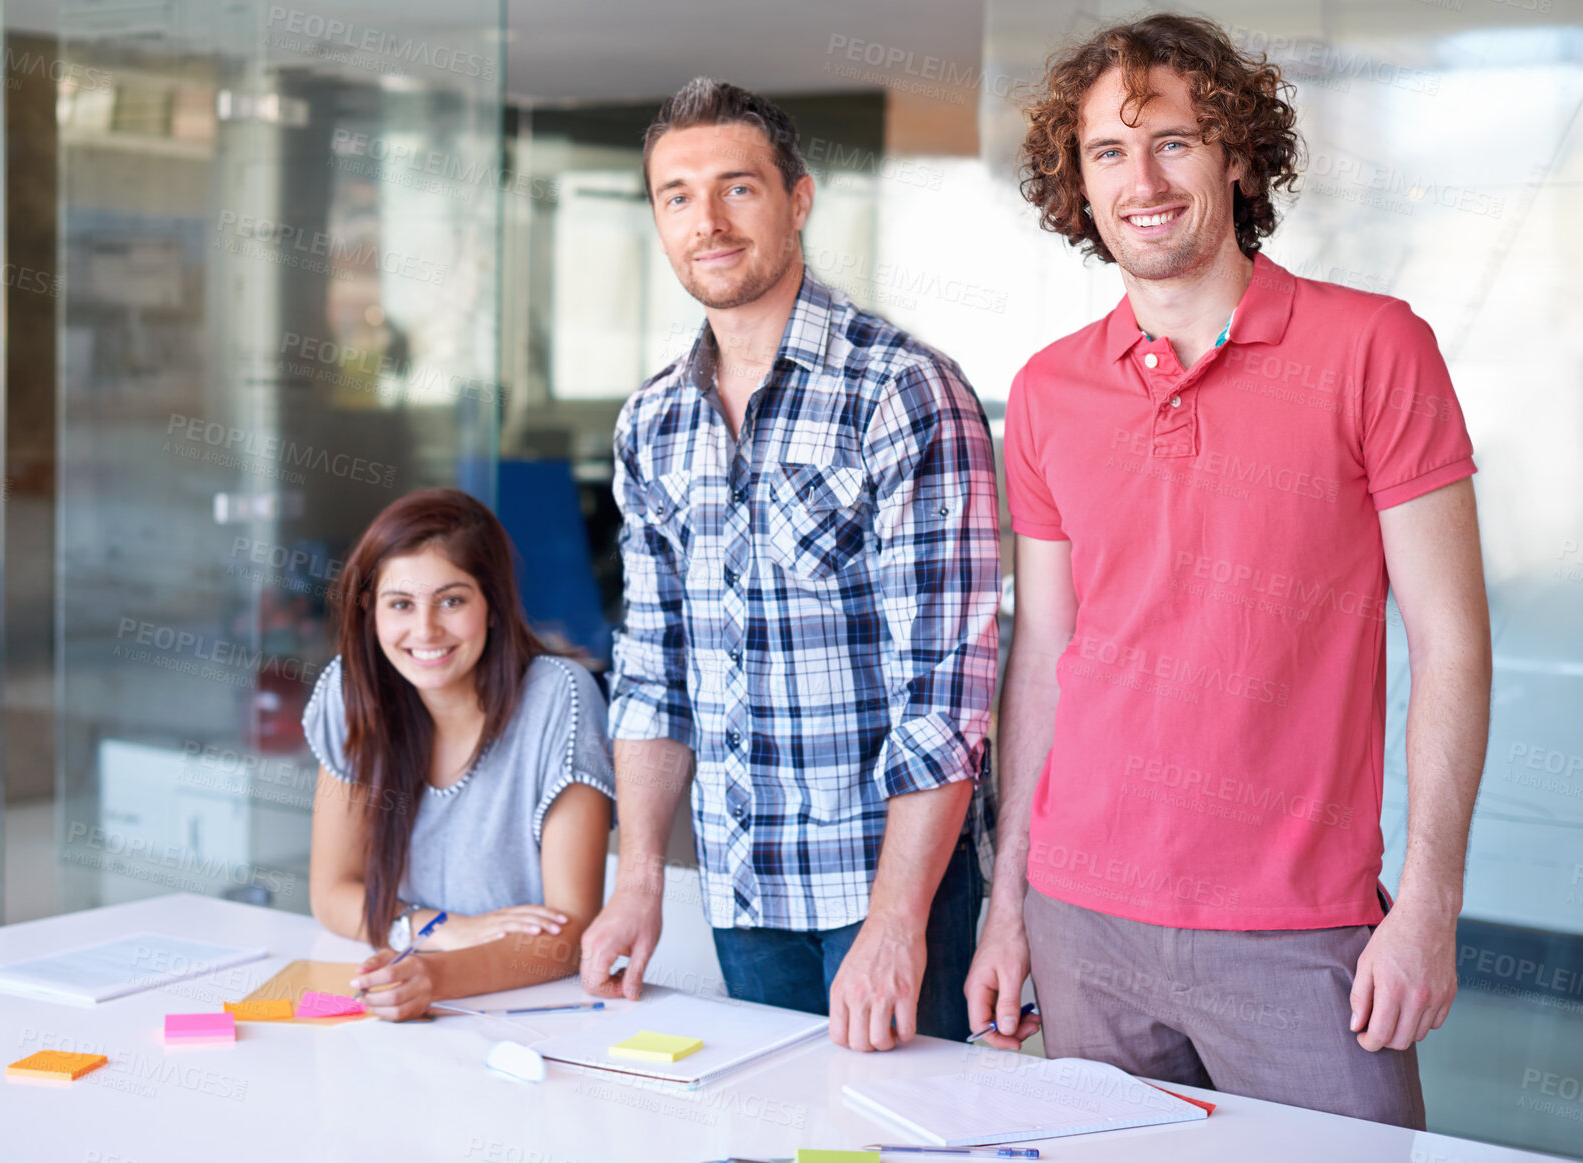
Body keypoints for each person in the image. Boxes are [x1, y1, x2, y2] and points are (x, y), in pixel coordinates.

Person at [963, 14, 1490, 1128]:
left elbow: (1449, 639)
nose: (1139, 181)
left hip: (1297, 928)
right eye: (1106, 152)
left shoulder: (1373, 349)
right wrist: (1005, 902)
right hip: (1079, 919)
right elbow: (1046, 658)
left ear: (1237, 156)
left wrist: (1431, 902)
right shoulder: (1048, 391)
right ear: (1078, 181)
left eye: (1173, 142)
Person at [578, 77, 1003, 1050]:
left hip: (884, 885)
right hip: (740, 882)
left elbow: (946, 685)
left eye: (737, 187)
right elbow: (652, 666)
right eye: (675, 196)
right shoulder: (652, 420)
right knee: (770, 1137)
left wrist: (897, 919)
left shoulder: (899, 390)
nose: (706, 220)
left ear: (797, 199)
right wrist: (638, 880)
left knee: (890, 1138)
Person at [305, 488, 616, 1021]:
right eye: (400, 604)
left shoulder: (558, 696)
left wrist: (436, 975)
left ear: (492, 605)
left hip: (529, 1018)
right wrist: (444, 929)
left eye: (452, 600)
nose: (425, 631)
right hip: (398, 1004)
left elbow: (567, 935)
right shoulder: (351, 691)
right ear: (372, 612)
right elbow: (332, 893)